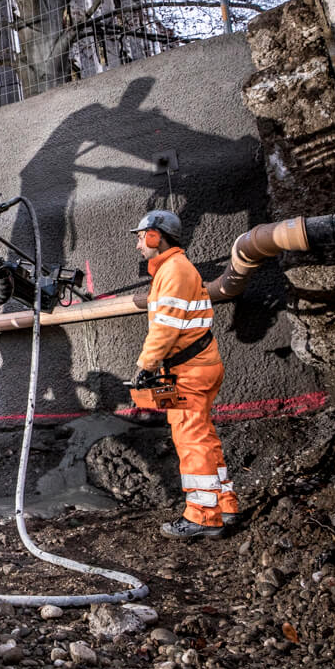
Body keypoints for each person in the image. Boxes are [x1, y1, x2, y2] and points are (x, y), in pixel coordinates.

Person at [129, 209, 239, 539]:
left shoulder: (173, 271)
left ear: (154, 236)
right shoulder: (175, 269)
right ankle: (225, 504)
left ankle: (203, 517)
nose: (138, 245)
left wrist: (144, 367)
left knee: (190, 439)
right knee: (203, 436)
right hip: (197, 366)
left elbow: (165, 329)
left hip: (190, 371)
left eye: (140, 237)